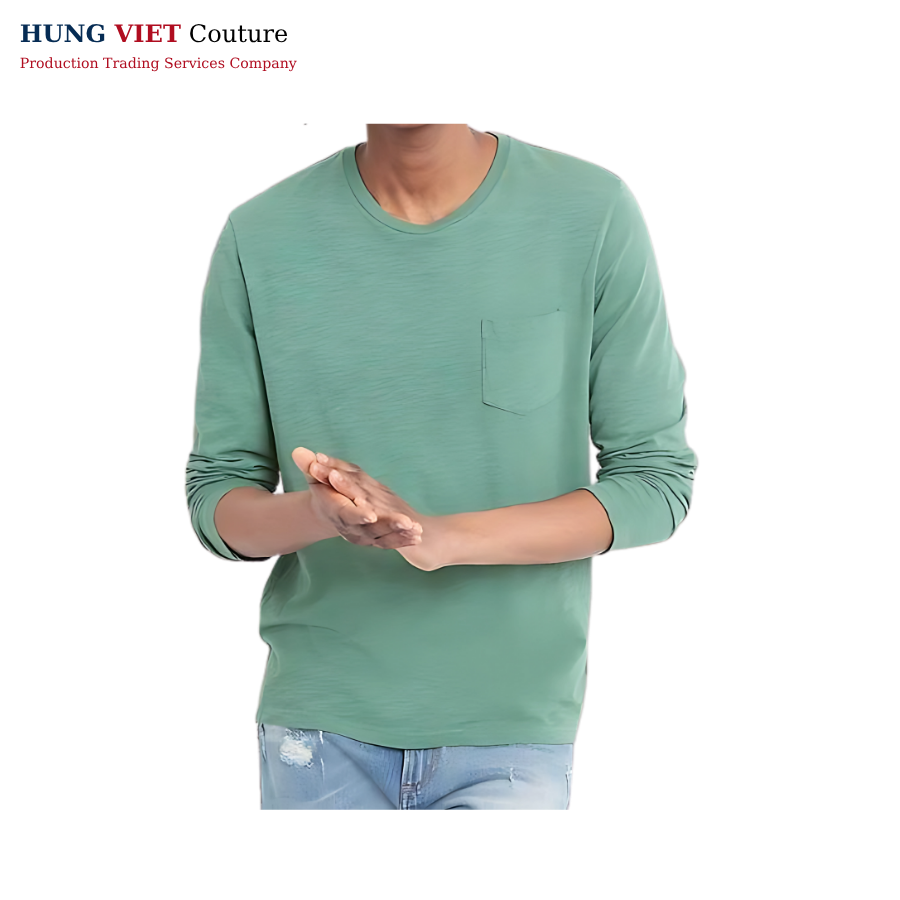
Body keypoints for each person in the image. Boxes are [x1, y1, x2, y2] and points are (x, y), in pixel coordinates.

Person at [185, 124, 698, 809]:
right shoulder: (261, 234)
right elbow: (218, 497)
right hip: (319, 725)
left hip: (511, 728)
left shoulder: (590, 210)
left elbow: (655, 482)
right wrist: (316, 512)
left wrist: (443, 537)